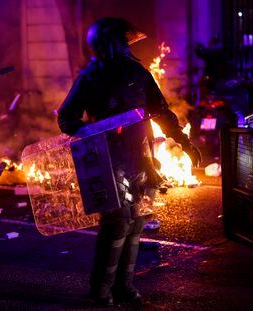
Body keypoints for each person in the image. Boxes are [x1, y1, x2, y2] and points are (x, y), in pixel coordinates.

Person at [57, 17, 201, 306]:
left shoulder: (137, 71)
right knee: (117, 223)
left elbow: (160, 110)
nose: (126, 47)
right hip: (108, 159)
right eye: (122, 41)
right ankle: (101, 290)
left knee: (136, 221)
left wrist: (184, 141)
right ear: (108, 43)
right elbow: (67, 118)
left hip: (140, 155)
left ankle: (124, 287)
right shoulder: (91, 76)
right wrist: (94, 132)